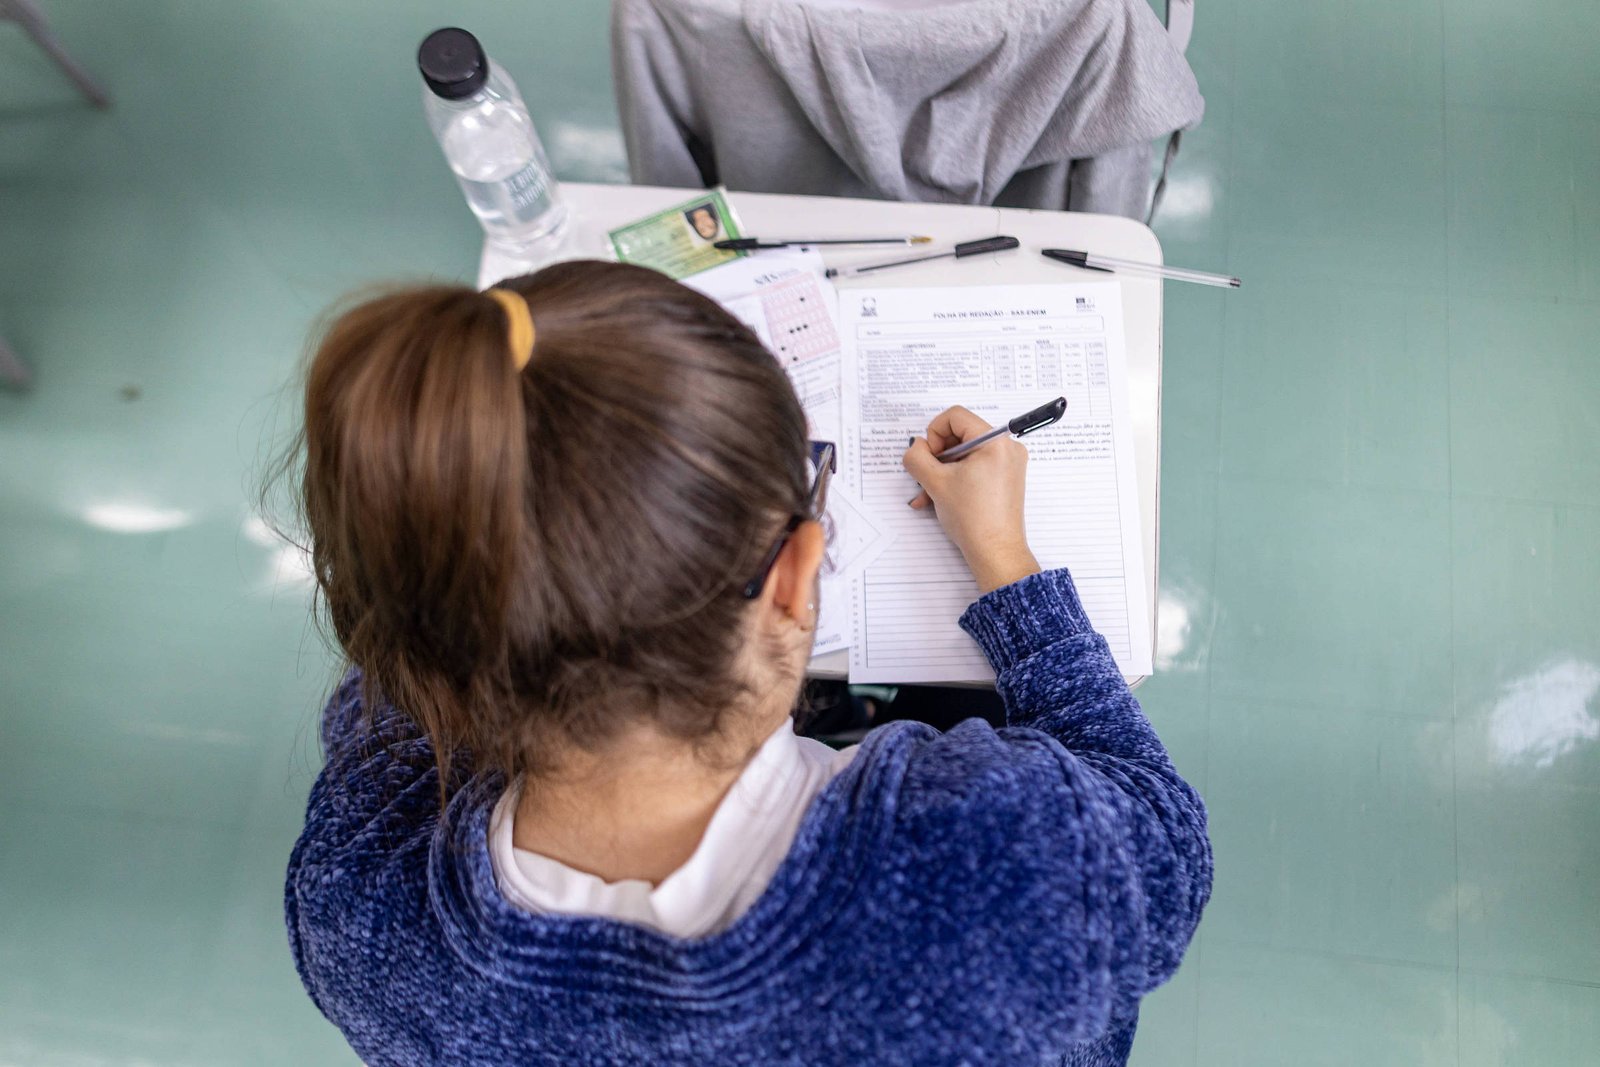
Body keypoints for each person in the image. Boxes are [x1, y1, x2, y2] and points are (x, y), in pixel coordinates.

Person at [283, 260, 1210, 1066]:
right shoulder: (992, 856)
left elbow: (387, 697)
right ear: (795, 574)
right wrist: (1008, 563)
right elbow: (1161, 836)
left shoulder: (354, 905)